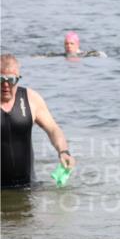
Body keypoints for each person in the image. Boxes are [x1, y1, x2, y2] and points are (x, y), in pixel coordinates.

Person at [1, 54, 76, 189]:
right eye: (0, 79)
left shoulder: (31, 99)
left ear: (18, 78)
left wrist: (63, 151)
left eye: (11, 80)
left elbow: (53, 129)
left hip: (28, 186)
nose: (5, 85)